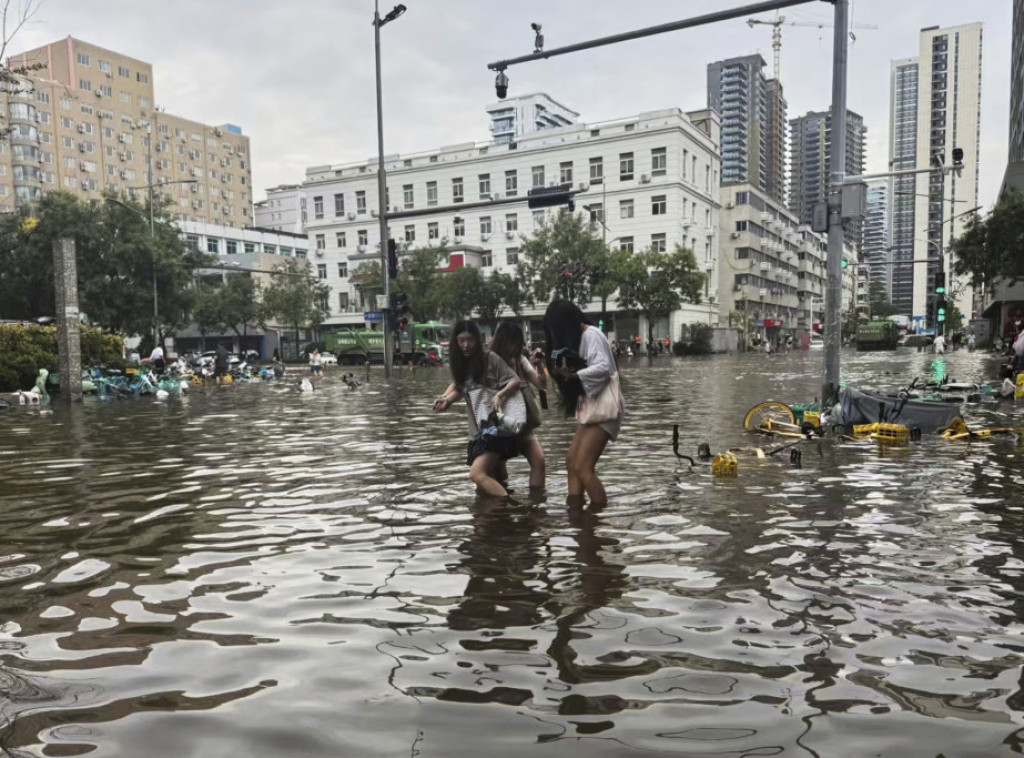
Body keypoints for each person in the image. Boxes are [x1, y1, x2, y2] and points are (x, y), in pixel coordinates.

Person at [544, 301, 624, 507]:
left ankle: (597, 515)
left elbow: (604, 368)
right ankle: (576, 511)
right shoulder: (579, 340)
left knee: (583, 466)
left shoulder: (592, 334)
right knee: (572, 461)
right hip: (593, 407)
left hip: (605, 407)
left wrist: (573, 376)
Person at [433, 320, 521, 498]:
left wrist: (500, 395)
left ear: (477, 340)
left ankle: (513, 508)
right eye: (461, 341)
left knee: (477, 474)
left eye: (470, 340)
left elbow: (515, 380)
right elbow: (462, 388)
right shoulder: (461, 365)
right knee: (492, 480)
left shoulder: (490, 358)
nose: (466, 345)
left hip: (494, 428)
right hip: (477, 430)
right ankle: (499, 520)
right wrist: (447, 400)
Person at [490, 323, 546, 493]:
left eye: (518, 343)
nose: (517, 347)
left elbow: (541, 384)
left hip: (521, 423)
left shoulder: (520, 360)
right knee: (498, 473)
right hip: (499, 426)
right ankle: (501, 508)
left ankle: (536, 503)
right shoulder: (489, 361)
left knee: (539, 460)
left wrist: (539, 366)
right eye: (514, 342)